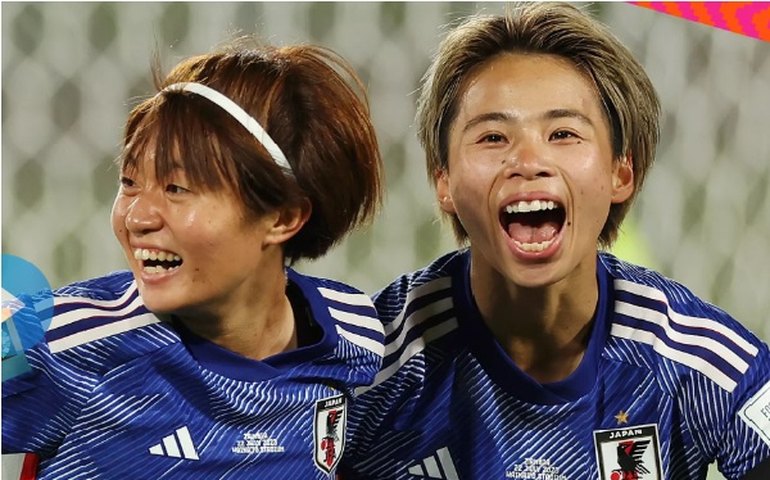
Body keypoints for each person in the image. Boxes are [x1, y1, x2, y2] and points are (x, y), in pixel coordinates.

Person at [340, 3, 770, 480]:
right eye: (492, 137)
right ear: (443, 181)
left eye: (563, 133)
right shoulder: (365, 369)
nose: (528, 160)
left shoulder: (695, 359)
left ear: (619, 173)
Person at [2, 38, 385, 479]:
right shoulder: (65, 344)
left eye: (176, 189)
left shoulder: (357, 336)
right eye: (129, 181)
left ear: (283, 217)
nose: (137, 216)